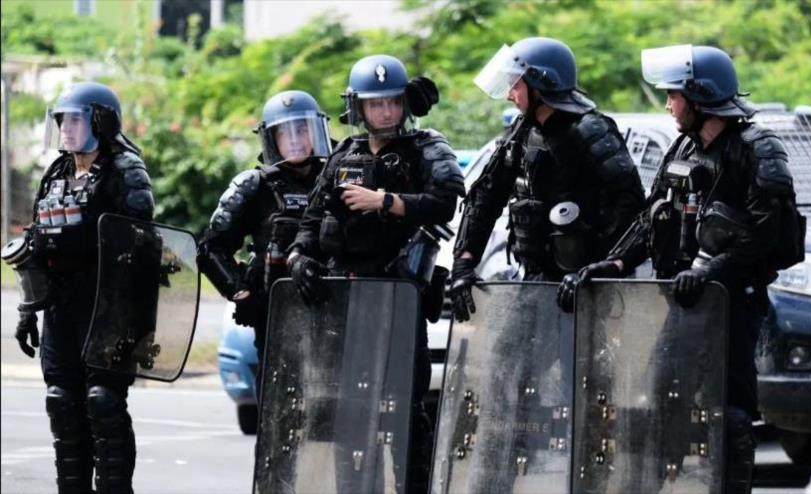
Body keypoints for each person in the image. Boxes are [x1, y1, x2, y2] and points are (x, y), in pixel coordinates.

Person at [560, 44, 800, 493]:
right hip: (681, 300)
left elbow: (766, 234)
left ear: (699, 96)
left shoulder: (755, 149)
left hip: (732, 305)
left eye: (673, 96)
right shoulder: (685, 145)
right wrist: (612, 261)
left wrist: (712, 271)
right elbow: (652, 217)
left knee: (728, 410)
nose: (668, 105)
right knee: (659, 399)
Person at [288, 54, 464, 491]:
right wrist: (299, 259)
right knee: (352, 413)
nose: (385, 112)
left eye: (392, 103)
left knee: (406, 412)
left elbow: (446, 200)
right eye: (375, 104)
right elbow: (310, 222)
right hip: (346, 303)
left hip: (399, 298)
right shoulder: (343, 156)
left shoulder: (426, 147)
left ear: (405, 104)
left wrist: (385, 201)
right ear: (358, 108)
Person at [10, 82, 154, 494]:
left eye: (75, 119)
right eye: (62, 120)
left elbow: (140, 243)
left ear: (100, 121)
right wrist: (27, 309)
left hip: (108, 308)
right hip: (60, 308)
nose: (67, 129)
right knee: (61, 401)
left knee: (103, 402)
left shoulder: (126, 170)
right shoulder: (56, 173)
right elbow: (36, 240)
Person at [449, 37, 645, 322]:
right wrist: (464, 262)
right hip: (534, 281)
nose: (509, 94)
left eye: (515, 84)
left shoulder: (591, 129)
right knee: (513, 363)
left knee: (584, 367)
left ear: (540, 85)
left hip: (586, 287)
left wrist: (603, 266)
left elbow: (632, 204)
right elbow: (486, 196)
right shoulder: (521, 132)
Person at [198, 90, 332, 391]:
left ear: (315, 131)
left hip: (332, 308)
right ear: (273, 139)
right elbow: (211, 248)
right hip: (274, 314)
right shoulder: (254, 186)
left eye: (301, 129)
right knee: (279, 398)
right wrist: (240, 291)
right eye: (285, 132)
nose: (295, 139)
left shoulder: (337, 179)